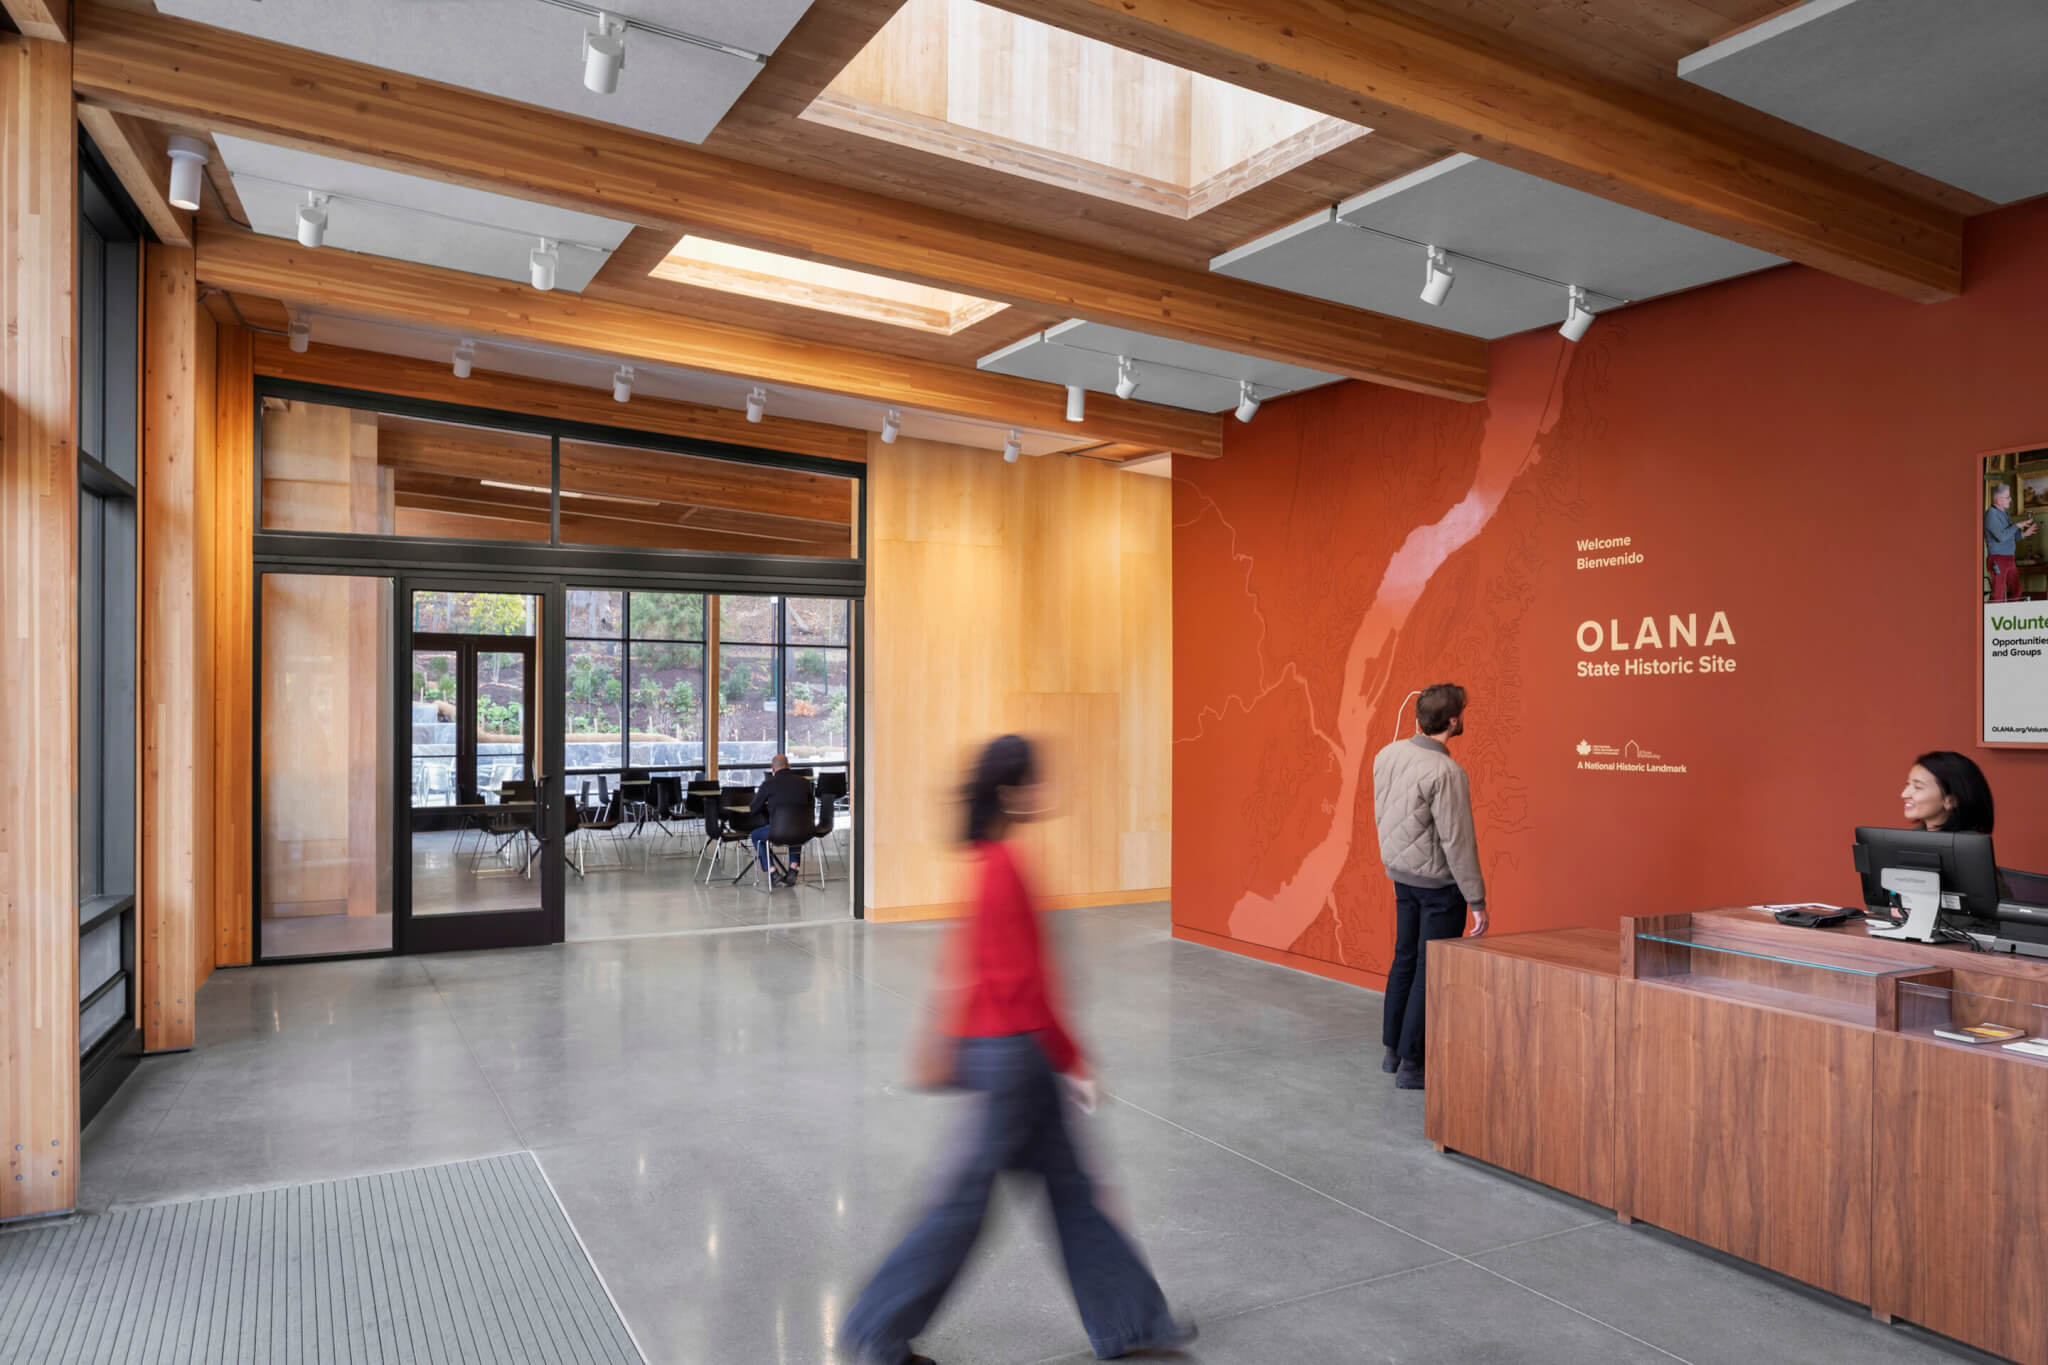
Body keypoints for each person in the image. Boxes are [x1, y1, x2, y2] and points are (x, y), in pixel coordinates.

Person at [841, 735, 1192, 1365]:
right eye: (1033, 782)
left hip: (1004, 1051)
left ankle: (1132, 1321)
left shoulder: (987, 861)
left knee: (1071, 1191)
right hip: (1014, 1057)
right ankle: (876, 1329)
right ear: (1009, 791)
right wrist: (1072, 1058)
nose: (1042, 793)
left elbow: (975, 968)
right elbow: (1022, 984)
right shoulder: (1003, 868)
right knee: (964, 1205)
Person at [1372, 684, 1489, 1092]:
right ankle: (1414, 1065)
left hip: (1402, 876)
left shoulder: (1387, 754)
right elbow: (1458, 841)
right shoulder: (1447, 772)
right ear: (1453, 720)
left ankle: (1392, 1052)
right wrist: (1477, 900)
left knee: (1404, 958)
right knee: (1430, 969)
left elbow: (1384, 812)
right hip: (1439, 886)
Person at [748, 755, 814, 886]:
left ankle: (773, 872)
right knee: (795, 827)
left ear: (772, 768)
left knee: (755, 835)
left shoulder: (768, 784)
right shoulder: (804, 783)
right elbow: (810, 805)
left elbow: (753, 809)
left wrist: (766, 805)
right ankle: (793, 869)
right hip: (804, 831)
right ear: (789, 766)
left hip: (777, 832)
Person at [1900, 749, 1995, 835]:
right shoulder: (1910, 838)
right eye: (1908, 784)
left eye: (1918, 787)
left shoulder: (1968, 848)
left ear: (1951, 801)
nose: (1904, 794)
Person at [1985, 483, 2037, 603]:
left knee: (2016, 590)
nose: (2010, 499)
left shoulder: (2004, 513)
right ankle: (1992, 619)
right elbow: (2001, 537)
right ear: (1998, 500)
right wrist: (2017, 525)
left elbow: (2009, 536)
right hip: (1998, 559)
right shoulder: (1991, 515)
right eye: (2007, 497)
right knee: (1998, 595)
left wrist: (2024, 534)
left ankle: (2010, 616)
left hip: (2009, 558)